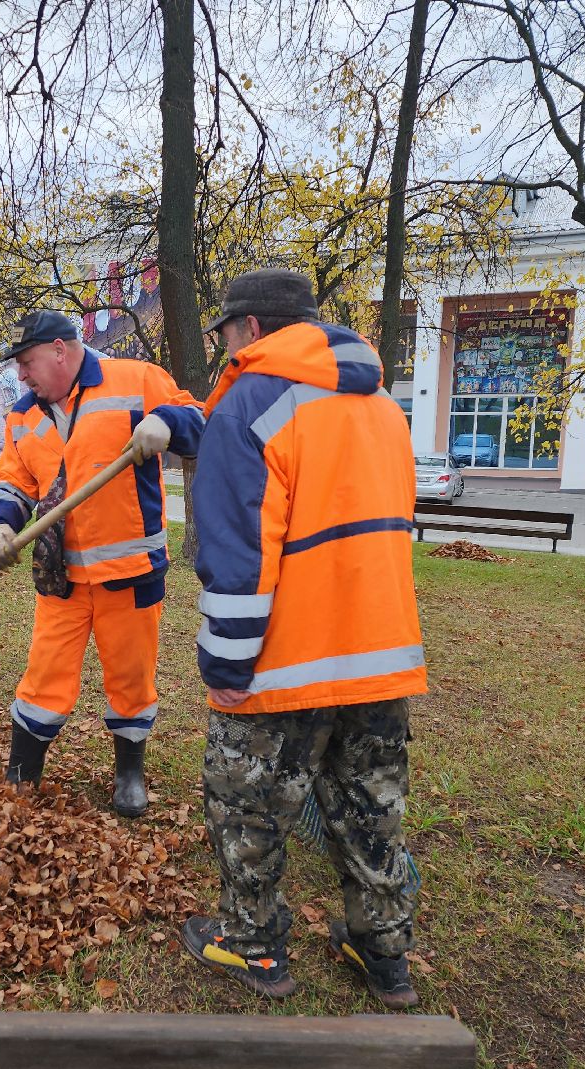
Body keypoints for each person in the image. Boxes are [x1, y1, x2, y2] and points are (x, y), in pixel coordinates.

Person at [178, 270, 427, 1007]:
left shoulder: (254, 401)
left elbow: (239, 545)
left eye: (226, 332)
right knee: (369, 809)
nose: (225, 346)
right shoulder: (380, 403)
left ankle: (252, 948)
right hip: (379, 652)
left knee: (247, 805)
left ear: (251, 328)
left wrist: (226, 659)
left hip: (286, 661)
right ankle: (383, 956)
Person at [0, 310, 204, 816]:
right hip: (60, 576)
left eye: (27, 361)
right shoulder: (24, 415)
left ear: (60, 350)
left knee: (130, 677)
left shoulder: (136, 379)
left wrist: (165, 421)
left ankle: (129, 772)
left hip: (129, 576)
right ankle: (23, 773)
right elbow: (14, 482)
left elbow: (201, 420)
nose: (21, 374)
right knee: (45, 673)